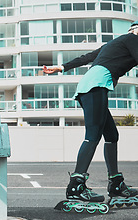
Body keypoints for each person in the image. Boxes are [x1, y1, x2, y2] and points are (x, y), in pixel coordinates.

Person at [43, 21, 138, 206]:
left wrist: (61, 67)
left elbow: (86, 57)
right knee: (93, 135)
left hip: (92, 85)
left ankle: (115, 183)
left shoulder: (115, 43)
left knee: (112, 135)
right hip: (96, 86)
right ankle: (76, 185)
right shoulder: (132, 39)